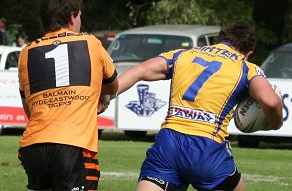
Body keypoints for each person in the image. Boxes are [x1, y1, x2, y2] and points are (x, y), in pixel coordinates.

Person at [116, 21, 283, 191]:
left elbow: (140, 70)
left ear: (218, 40)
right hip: (206, 149)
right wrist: (275, 124)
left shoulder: (182, 55)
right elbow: (271, 101)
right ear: (248, 53)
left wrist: (104, 97)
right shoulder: (246, 68)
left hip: (168, 143)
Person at [17, 0, 118, 190]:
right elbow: (113, 86)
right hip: (72, 146)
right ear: (72, 17)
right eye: (80, 16)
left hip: (33, 146)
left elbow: (29, 109)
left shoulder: (26, 53)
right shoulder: (91, 43)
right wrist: (100, 98)